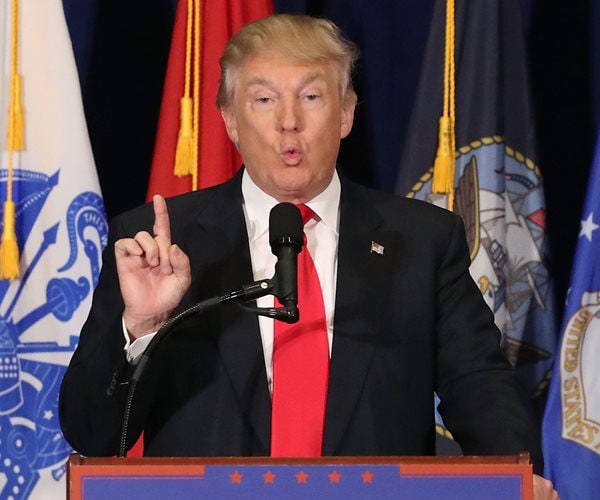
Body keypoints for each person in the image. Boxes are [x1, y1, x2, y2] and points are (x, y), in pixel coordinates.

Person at [59, 14, 557, 498]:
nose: (289, 122)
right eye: (264, 99)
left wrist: (516, 477)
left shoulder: (421, 241)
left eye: (311, 97)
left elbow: (479, 386)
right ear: (230, 121)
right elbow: (94, 434)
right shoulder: (162, 242)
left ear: (345, 114)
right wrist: (143, 327)